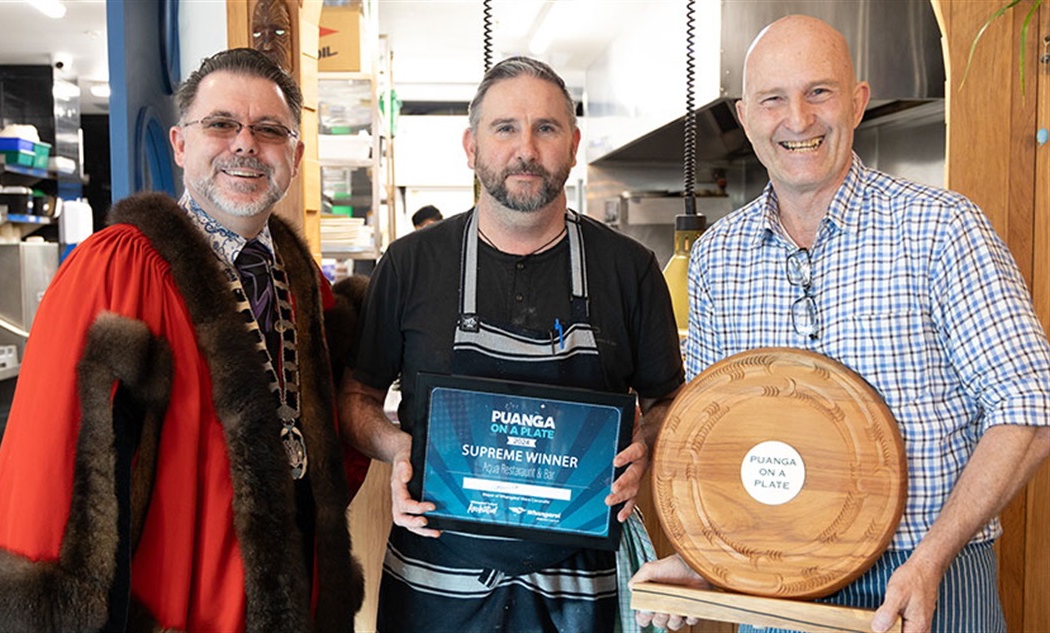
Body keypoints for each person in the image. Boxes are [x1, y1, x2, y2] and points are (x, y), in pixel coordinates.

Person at [630, 15, 1050, 633]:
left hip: (928, 578)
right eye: (773, 98)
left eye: (818, 92)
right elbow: (714, 442)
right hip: (773, 586)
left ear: (857, 102)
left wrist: (932, 558)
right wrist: (708, 564)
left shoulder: (941, 228)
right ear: (746, 119)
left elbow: (1029, 406)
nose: (797, 119)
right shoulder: (717, 258)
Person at [0, 48, 364, 632]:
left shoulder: (307, 285)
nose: (245, 144)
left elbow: (335, 443)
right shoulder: (118, 267)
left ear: (294, 154)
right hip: (172, 596)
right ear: (180, 144)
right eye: (220, 124)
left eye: (269, 130)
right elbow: (52, 450)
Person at [339, 56, 684, 632]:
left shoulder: (630, 269)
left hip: (581, 591)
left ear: (573, 145)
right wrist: (398, 450)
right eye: (505, 128)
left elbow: (669, 401)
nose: (526, 148)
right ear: (471, 146)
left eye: (546, 128)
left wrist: (645, 443)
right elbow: (356, 397)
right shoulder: (410, 263)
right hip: (434, 586)